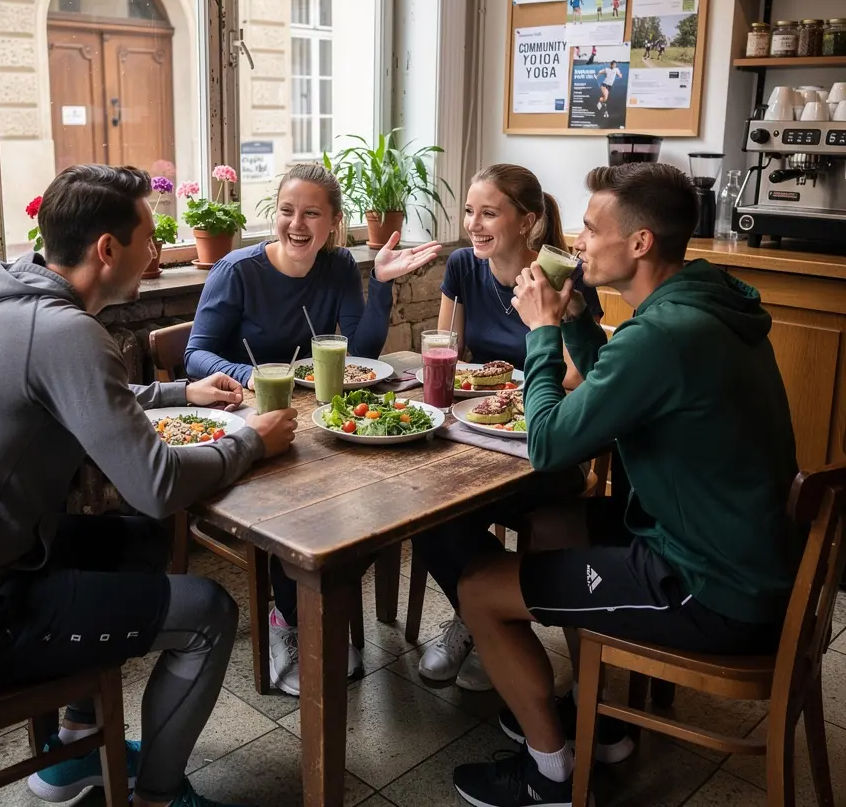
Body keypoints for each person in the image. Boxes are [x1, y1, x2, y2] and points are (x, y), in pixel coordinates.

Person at [0, 165, 299, 807]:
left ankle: (75, 751)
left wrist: (180, 391)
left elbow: (70, 397)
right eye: (150, 238)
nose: (157, 251)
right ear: (108, 249)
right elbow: (156, 485)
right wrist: (250, 440)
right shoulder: (67, 333)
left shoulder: (3, 301)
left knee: (137, 545)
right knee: (210, 612)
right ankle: (159, 794)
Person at [451, 163, 799, 807]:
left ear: (639, 244)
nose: (578, 242)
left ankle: (547, 775)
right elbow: (619, 378)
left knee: (477, 587)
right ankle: (597, 720)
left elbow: (551, 445)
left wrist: (544, 334)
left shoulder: (663, 336)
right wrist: (578, 319)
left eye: (590, 228)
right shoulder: (702, 301)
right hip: (735, 547)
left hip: (708, 585)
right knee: (560, 524)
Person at [184, 162, 441, 696]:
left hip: (320, 419)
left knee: (374, 494)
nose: (296, 224)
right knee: (293, 506)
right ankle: (288, 623)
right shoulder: (236, 270)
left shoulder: (342, 264)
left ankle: (323, 605)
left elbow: (362, 352)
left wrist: (383, 285)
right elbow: (195, 355)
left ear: (334, 223)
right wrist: (254, 374)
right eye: (286, 211)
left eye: (311, 214)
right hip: (253, 416)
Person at [414, 165, 601, 691]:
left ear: (528, 221)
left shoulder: (562, 277)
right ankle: (479, 619)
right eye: (470, 211)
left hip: (544, 446)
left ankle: (490, 620)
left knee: (463, 515)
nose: (474, 224)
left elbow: (577, 374)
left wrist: (518, 380)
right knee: (428, 515)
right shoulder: (461, 267)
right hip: (479, 432)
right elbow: (447, 350)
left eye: (489, 212)